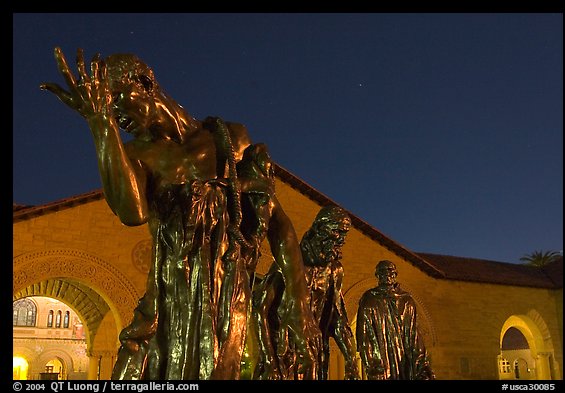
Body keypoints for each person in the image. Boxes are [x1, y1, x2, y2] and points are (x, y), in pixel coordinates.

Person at [40, 47, 321, 380]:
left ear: (144, 82)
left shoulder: (228, 138)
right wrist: (100, 124)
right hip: (166, 294)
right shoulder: (136, 153)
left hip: (224, 296)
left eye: (115, 100)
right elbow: (132, 213)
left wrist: (298, 297)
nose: (115, 114)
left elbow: (277, 222)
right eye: (107, 108)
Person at [252, 206, 359, 380]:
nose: (341, 241)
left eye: (344, 235)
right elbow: (260, 308)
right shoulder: (290, 262)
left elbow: (338, 319)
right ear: (319, 229)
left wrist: (351, 361)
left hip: (313, 359)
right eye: (337, 233)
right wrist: (269, 359)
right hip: (283, 358)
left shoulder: (334, 270)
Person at [356, 260, 435, 380]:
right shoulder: (369, 299)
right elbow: (363, 334)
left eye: (390, 271)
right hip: (381, 358)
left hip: (404, 357)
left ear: (395, 274)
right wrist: (371, 363)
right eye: (383, 271)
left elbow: (415, 334)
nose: (387, 274)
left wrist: (421, 363)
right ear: (377, 275)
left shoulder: (407, 300)